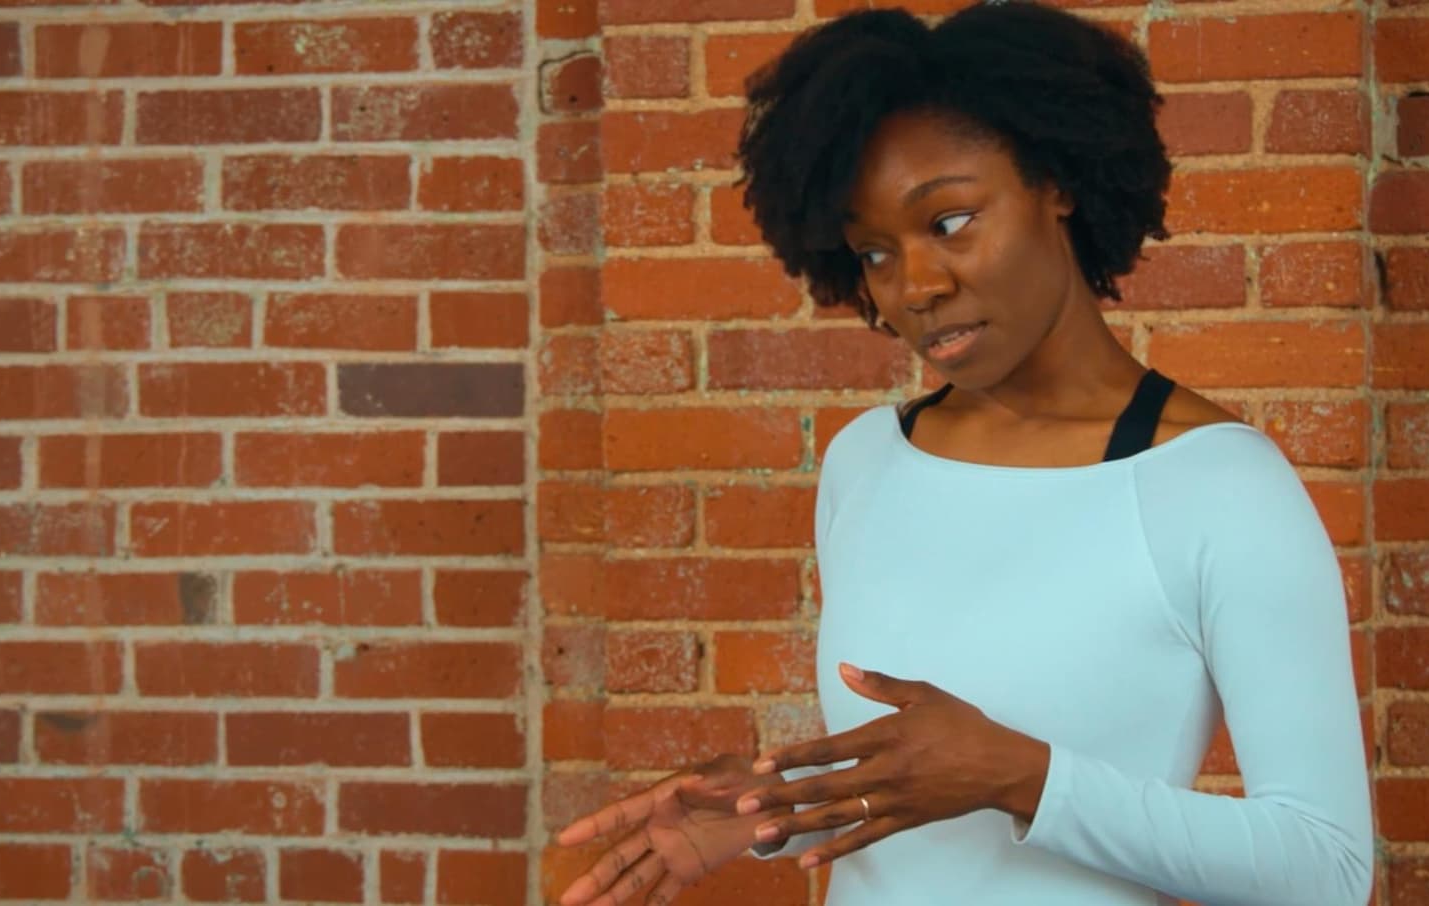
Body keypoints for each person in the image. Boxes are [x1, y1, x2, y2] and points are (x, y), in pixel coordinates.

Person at [555, 3, 1374, 905]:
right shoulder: (869, 462)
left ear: (1055, 183)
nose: (917, 286)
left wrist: (1020, 776)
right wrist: (777, 808)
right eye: (874, 252)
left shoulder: (1218, 485)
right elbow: (923, 796)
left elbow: (1327, 870)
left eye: (948, 221)